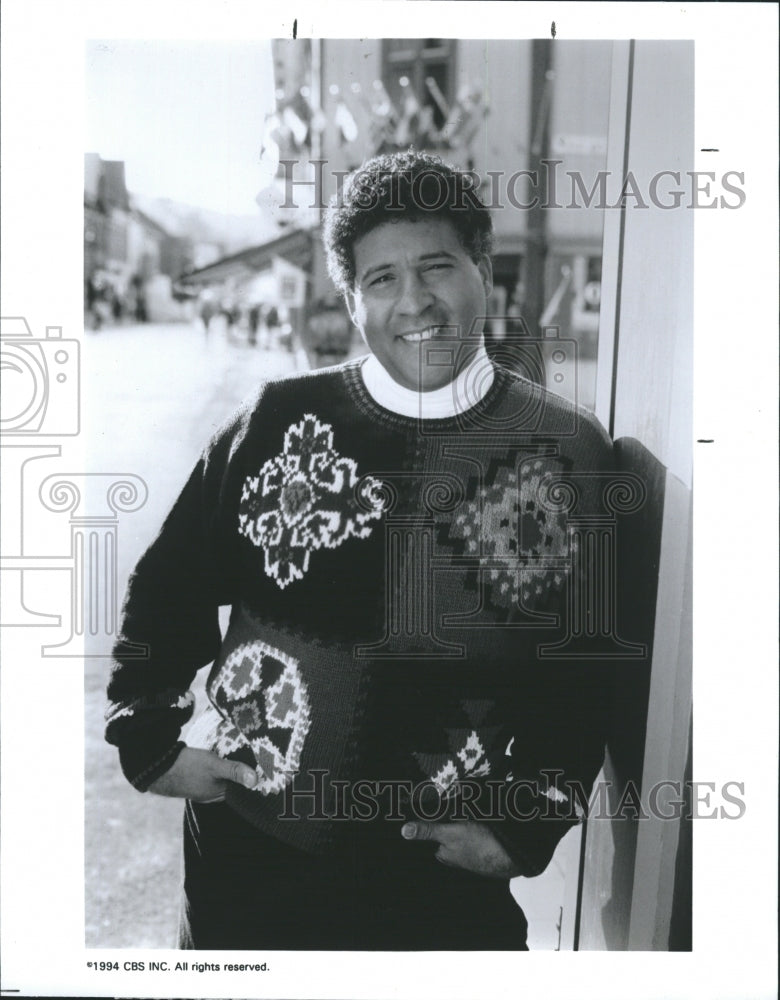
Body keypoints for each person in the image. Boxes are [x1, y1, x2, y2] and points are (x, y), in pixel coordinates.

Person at [106, 150, 615, 950]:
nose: (414, 301)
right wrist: (149, 733)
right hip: (249, 861)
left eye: (437, 267)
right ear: (351, 297)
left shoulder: (567, 451)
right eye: (380, 279)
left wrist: (524, 822)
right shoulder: (276, 419)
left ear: (484, 265)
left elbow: (592, 663)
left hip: (438, 881)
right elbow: (168, 580)